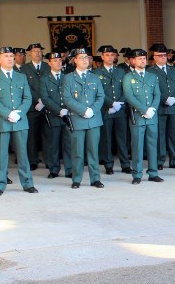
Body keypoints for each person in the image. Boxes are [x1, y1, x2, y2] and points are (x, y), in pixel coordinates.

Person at [0, 46, 38, 196]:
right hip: (2, 120)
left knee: (22, 153)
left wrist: (18, 113)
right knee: (1, 155)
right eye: (6, 56)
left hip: (20, 120)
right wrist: (8, 113)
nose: (9, 58)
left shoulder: (21, 77)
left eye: (11, 56)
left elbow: (27, 98)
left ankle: (27, 183)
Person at [61, 48, 105, 189]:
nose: (85, 60)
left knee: (93, 150)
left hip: (93, 118)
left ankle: (95, 178)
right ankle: (77, 178)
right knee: (77, 151)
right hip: (77, 119)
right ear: (75, 60)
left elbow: (101, 96)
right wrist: (83, 110)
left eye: (87, 57)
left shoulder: (95, 77)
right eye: (81, 58)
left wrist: (92, 110)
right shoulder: (68, 78)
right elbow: (67, 98)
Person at [122, 49, 164, 184]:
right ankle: (137, 174)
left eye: (144, 58)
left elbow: (157, 94)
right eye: (139, 58)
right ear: (133, 61)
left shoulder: (152, 76)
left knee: (153, 146)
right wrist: (144, 110)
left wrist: (152, 109)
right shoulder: (128, 77)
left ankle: (153, 173)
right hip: (138, 117)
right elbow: (129, 96)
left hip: (152, 116)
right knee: (137, 146)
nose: (142, 61)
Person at [92, 45, 130, 175]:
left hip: (120, 109)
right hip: (105, 110)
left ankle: (125, 164)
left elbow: (126, 89)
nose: (110, 57)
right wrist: (111, 104)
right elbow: (98, 92)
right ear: (102, 57)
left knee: (122, 138)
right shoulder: (96, 73)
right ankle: (108, 164)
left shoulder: (120, 71)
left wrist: (119, 103)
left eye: (112, 55)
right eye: (107, 55)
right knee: (106, 138)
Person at [148, 43, 175, 171]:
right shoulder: (150, 71)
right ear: (154, 57)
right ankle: (160, 160)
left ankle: (174, 159)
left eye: (164, 55)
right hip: (160, 108)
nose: (163, 57)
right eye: (160, 55)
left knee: (173, 135)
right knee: (160, 135)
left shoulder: (174, 70)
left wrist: (174, 98)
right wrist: (165, 99)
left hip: (174, 108)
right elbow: (151, 89)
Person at [40, 51, 72, 178]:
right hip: (53, 115)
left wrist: (67, 109)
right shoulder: (45, 79)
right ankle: (54, 169)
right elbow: (45, 98)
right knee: (53, 144)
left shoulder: (68, 77)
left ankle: (69, 169)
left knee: (68, 144)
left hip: (68, 115)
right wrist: (59, 110)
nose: (58, 63)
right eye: (55, 61)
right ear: (49, 63)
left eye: (59, 60)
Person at [21, 43, 51, 170]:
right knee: (32, 136)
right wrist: (37, 100)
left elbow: (51, 85)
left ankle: (49, 160)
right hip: (33, 107)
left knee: (48, 135)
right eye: (34, 51)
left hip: (48, 106)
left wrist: (44, 101)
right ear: (29, 54)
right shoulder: (24, 69)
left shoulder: (48, 66)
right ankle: (33, 160)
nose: (37, 53)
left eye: (39, 51)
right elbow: (26, 87)